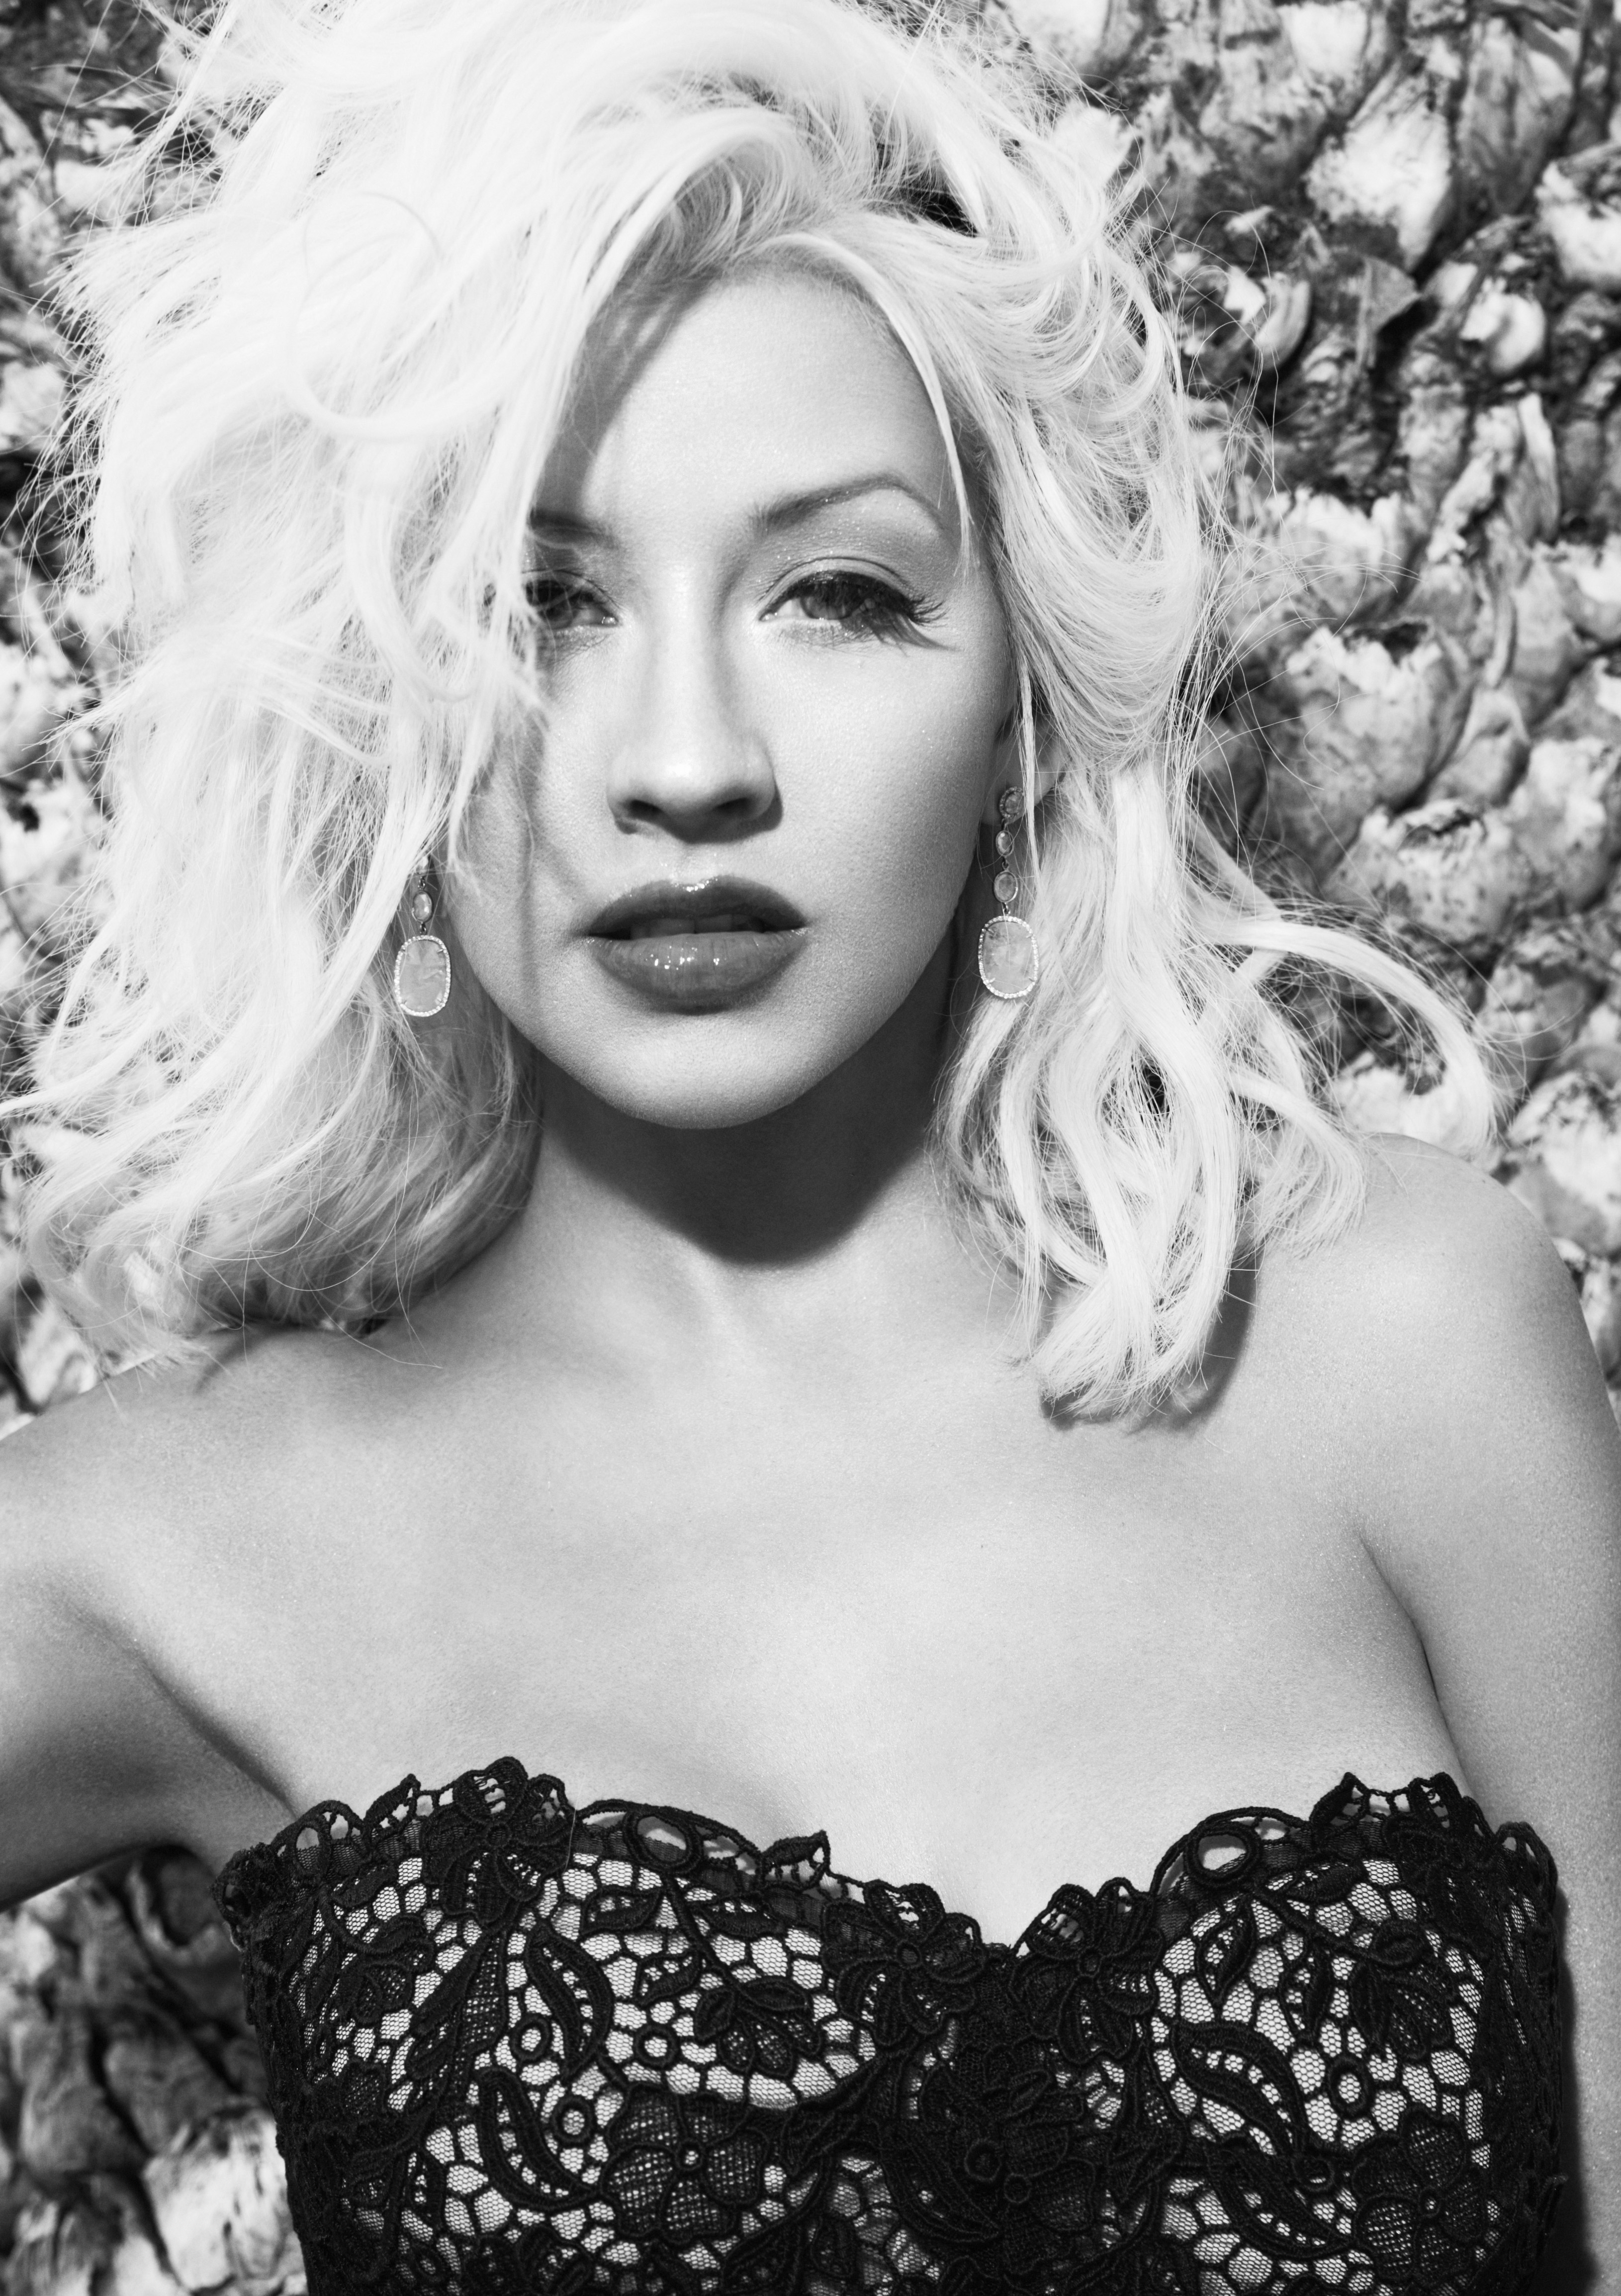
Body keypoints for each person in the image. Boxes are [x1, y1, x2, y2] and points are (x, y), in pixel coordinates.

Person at [0, 0, 1615, 2287]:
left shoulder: (1401, 1353)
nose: (684, 759)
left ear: (1021, 710)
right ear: (373, 708)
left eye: (835, 594)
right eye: (534, 604)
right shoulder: (163, 1551)